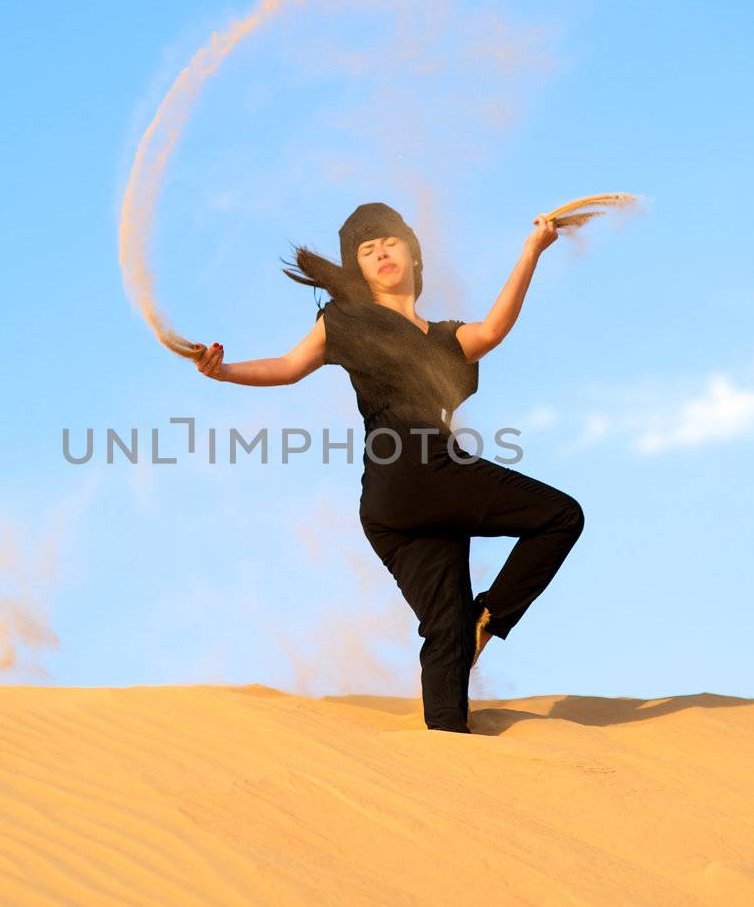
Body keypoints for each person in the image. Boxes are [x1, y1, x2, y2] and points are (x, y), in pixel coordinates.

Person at [192, 202, 585, 734]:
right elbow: (287, 367)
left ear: (412, 255)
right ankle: (487, 620)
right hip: (414, 473)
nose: (380, 252)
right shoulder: (348, 321)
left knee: (446, 635)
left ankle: (450, 756)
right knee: (560, 516)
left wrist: (530, 251)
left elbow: (491, 331)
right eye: (366, 249)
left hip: (398, 504)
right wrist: (223, 372)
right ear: (358, 269)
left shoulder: (445, 339)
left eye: (390, 241)